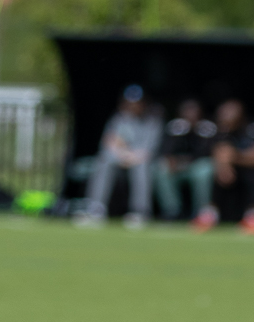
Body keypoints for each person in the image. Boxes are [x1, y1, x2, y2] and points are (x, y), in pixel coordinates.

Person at [76, 85, 162, 229]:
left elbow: (149, 151)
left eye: (136, 103)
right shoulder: (119, 119)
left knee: (141, 167)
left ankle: (140, 211)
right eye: (130, 102)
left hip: (143, 161)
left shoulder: (153, 121)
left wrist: (131, 156)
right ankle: (96, 208)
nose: (133, 106)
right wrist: (122, 154)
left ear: (143, 103)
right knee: (104, 160)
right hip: (122, 157)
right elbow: (110, 142)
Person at [192, 99, 254, 233]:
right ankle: (210, 213)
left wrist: (235, 157)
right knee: (214, 171)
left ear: (240, 115)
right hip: (234, 173)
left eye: (228, 115)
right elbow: (220, 152)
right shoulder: (222, 131)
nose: (223, 118)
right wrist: (224, 167)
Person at [153, 99, 216, 220]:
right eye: (187, 111)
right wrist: (181, 133)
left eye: (194, 111)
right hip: (177, 167)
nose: (191, 114)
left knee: (205, 170)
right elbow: (165, 151)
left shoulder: (207, 128)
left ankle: (201, 212)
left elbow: (207, 153)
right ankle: (172, 211)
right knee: (161, 168)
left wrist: (194, 131)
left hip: (196, 166)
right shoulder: (174, 127)